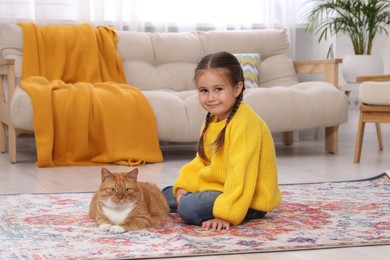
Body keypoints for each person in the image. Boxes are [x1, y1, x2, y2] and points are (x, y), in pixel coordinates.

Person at [162, 51, 282, 231]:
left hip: (248, 198)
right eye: (204, 91)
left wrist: (225, 215)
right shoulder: (211, 119)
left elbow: (241, 174)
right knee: (166, 194)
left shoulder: (245, 123)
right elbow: (202, 161)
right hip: (221, 188)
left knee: (188, 208)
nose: (210, 98)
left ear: (237, 88)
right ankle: (190, 198)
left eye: (218, 89)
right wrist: (183, 186)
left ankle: (215, 205)